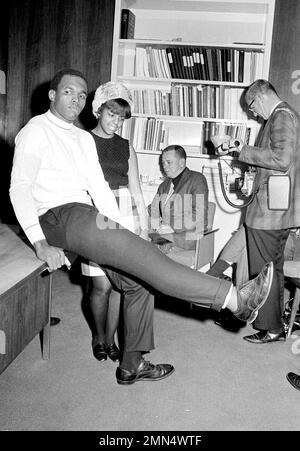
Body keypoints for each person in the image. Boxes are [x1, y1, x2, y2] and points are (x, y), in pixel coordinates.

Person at [9, 68, 274, 385]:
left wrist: (120, 231)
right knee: (144, 261)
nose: (76, 99)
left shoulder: (80, 137)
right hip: (56, 215)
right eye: (68, 92)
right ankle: (234, 300)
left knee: (138, 280)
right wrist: (39, 242)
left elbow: (99, 187)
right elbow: (19, 188)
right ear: (52, 95)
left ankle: (131, 364)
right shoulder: (36, 130)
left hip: (87, 213)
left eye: (81, 94)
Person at [217, 79, 300, 344]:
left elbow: (281, 160)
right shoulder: (280, 116)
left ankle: (269, 328)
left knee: (263, 271)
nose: (253, 112)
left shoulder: (281, 116)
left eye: (252, 106)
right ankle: (272, 327)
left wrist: (243, 149)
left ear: (261, 97)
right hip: (273, 208)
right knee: (271, 270)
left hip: (270, 213)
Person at [81, 81, 149, 363]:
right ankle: (98, 336)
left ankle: (110, 340)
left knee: (122, 285)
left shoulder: (126, 147)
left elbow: (136, 188)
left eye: (121, 118)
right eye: (111, 114)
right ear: (98, 110)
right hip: (94, 211)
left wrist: (144, 227)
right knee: (100, 285)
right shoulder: (82, 141)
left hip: (124, 216)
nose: (116, 122)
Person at [148, 144, 208, 266]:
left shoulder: (197, 179)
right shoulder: (164, 185)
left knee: (147, 250)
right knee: (138, 235)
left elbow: (199, 215)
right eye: (163, 163)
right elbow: (153, 209)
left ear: (182, 162)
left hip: (187, 236)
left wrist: (172, 226)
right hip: (164, 234)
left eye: (168, 162)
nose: (164, 166)